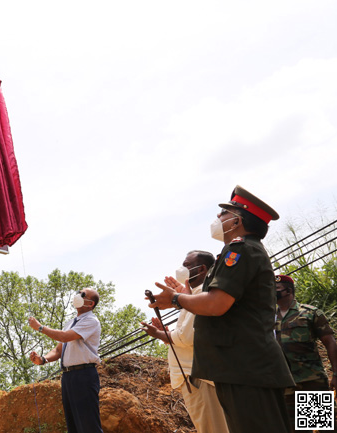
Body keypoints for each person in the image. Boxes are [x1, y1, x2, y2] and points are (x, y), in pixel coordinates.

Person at [148, 185, 295, 433]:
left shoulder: (242, 250)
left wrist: (175, 300)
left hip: (281, 371)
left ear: (237, 220)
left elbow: (216, 304)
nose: (217, 218)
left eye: (224, 213)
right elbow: (221, 304)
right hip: (243, 368)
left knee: (315, 424)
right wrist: (186, 297)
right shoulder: (239, 253)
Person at [142, 250, 229, 433]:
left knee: (301, 421)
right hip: (203, 375)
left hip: (303, 378)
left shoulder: (201, 295)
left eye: (187, 265)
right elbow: (192, 336)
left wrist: (158, 333)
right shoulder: (196, 297)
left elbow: (186, 338)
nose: (183, 269)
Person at [28, 288, 103, 433]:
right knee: (73, 426)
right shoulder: (71, 322)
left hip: (84, 375)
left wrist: (40, 327)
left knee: (89, 426)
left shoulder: (91, 321)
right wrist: (42, 360)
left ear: (90, 304)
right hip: (68, 377)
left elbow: (64, 337)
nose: (77, 296)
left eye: (82, 295)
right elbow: (58, 350)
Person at [275, 274, 337, 432]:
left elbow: (330, 343)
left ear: (288, 291)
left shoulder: (310, 313)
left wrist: (335, 373)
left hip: (311, 381)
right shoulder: (266, 317)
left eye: (276, 289)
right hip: (284, 384)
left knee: (322, 428)